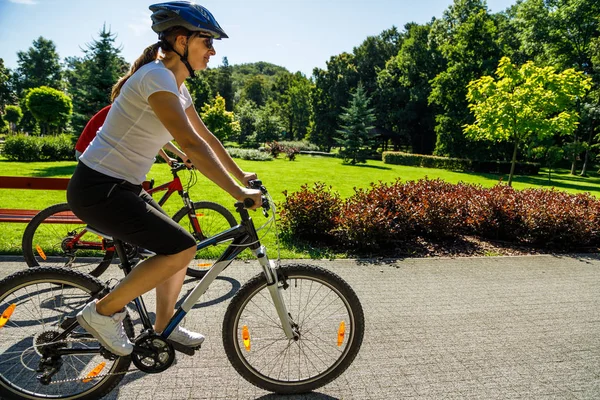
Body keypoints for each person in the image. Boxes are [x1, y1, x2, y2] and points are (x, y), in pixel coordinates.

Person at [67, 1, 262, 356]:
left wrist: (241, 174)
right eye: (208, 41)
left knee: (179, 246)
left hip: (120, 187)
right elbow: (188, 143)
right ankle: (102, 312)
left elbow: (206, 138)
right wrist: (237, 191)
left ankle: (163, 328)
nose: (213, 51)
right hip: (99, 188)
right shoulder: (156, 78)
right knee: (181, 248)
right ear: (181, 40)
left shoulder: (175, 85)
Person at [76, 104, 192, 168]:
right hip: (89, 153)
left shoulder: (124, 108)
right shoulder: (124, 110)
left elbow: (153, 137)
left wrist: (169, 158)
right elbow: (154, 138)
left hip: (97, 151)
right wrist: (182, 156)